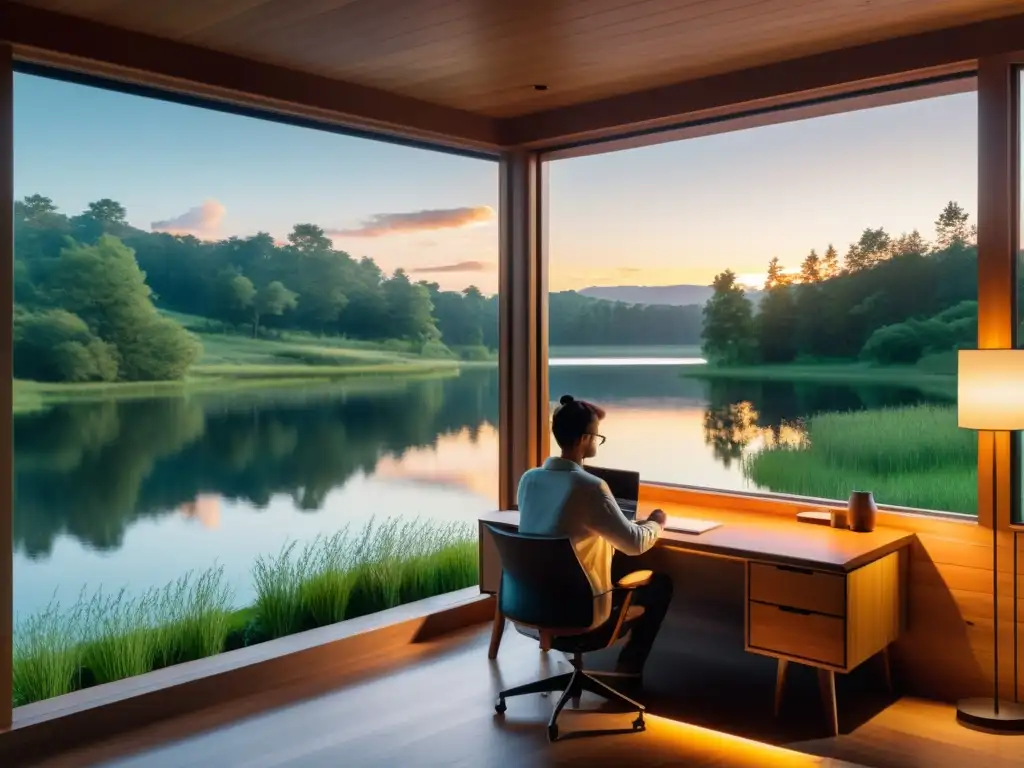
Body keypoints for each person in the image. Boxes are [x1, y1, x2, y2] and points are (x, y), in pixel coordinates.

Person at [517, 394, 674, 678]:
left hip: (533, 606)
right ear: (585, 439)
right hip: (580, 612)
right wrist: (656, 523)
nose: (598, 441)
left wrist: (581, 413)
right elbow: (635, 544)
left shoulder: (529, 480)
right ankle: (628, 672)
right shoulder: (590, 487)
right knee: (659, 585)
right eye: (597, 437)